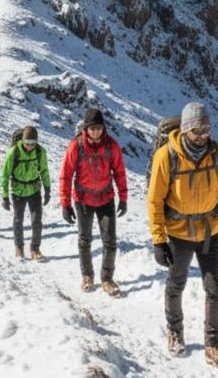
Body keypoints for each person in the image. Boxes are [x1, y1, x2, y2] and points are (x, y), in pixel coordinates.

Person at [147, 102, 218, 369]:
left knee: (215, 289)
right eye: (197, 130)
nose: (202, 135)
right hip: (178, 234)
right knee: (176, 285)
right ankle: (175, 332)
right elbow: (154, 201)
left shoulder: (217, 154)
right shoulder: (166, 156)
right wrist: (158, 240)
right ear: (186, 129)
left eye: (206, 129)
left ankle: (213, 344)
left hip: (210, 232)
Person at [59, 108, 129, 296]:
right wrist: (65, 204)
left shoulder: (111, 146)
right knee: (85, 240)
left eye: (99, 128)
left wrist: (123, 198)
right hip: (83, 200)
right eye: (92, 128)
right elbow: (65, 175)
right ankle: (87, 275)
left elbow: (119, 172)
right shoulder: (76, 146)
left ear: (103, 128)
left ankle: (107, 279)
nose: (96, 132)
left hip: (105, 198)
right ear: (86, 128)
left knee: (110, 242)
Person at [0, 126, 50, 261]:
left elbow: (44, 171)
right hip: (18, 190)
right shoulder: (13, 152)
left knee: (37, 221)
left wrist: (47, 190)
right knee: (18, 219)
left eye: (33, 144)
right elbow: (5, 174)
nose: (29, 146)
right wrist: (4, 196)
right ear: (22, 140)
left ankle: (35, 248)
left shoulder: (40, 152)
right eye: (27, 143)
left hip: (34, 190)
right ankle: (19, 247)